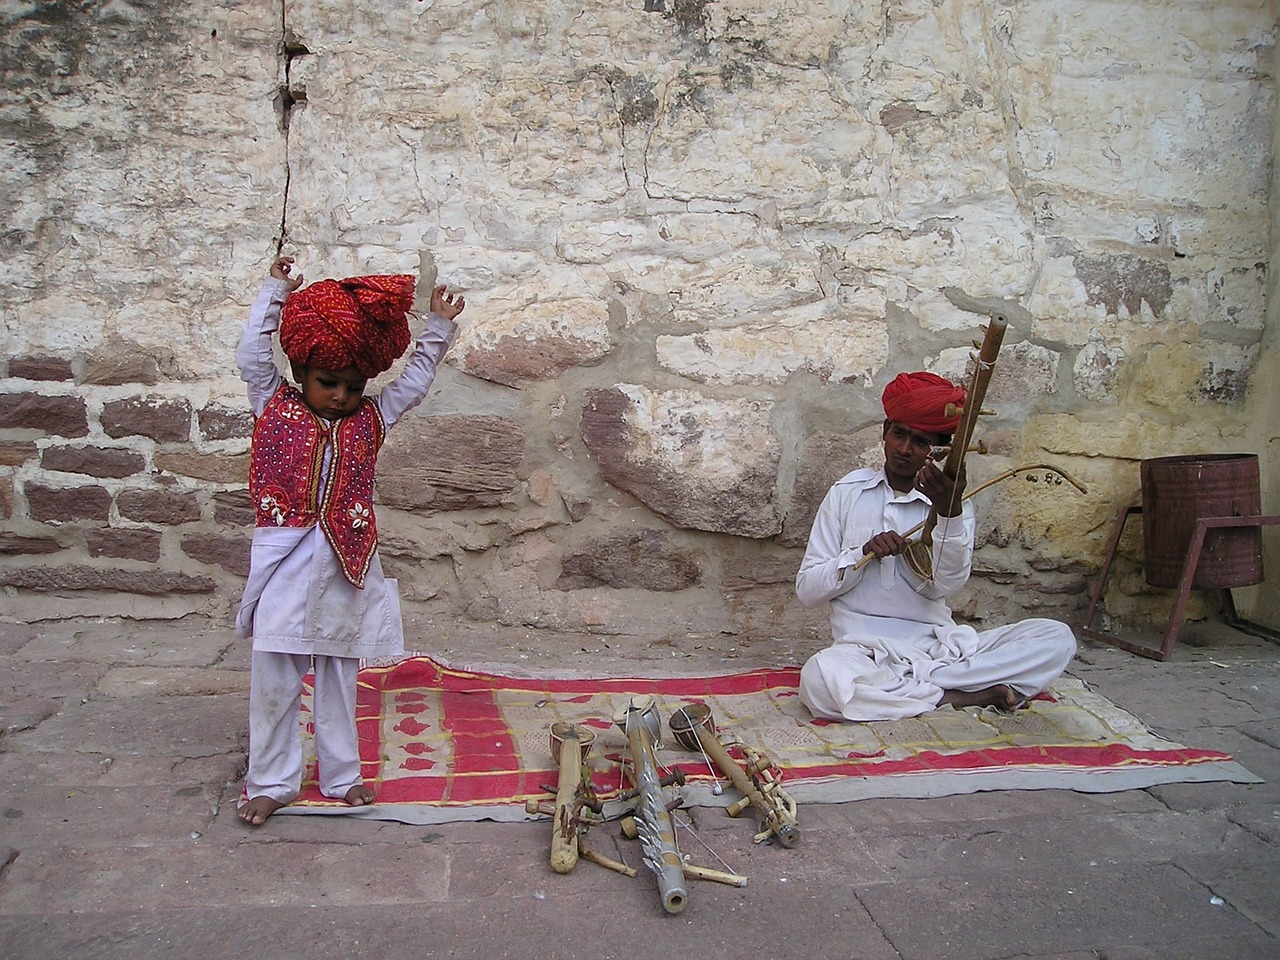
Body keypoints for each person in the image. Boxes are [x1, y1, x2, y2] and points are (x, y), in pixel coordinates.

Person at [234, 254, 465, 825]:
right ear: (303, 372)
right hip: (284, 565)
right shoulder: (272, 405)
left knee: (339, 676)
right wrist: (276, 292)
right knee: (275, 679)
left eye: (351, 385)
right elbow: (250, 356)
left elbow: (412, 385)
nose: (339, 395)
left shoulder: (373, 418)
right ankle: (270, 781)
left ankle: (342, 777)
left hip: (347, 566)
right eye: (327, 383)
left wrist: (437, 329)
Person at [794, 371, 1077, 722]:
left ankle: (924, 688)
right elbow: (807, 590)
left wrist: (950, 513)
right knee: (818, 681)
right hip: (864, 652)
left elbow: (948, 585)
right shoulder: (846, 493)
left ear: (938, 450)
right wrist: (859, 556)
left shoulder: (954, 502)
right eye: (899, 434)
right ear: (885, 431)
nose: (905, 449)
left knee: (1056, 638)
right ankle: (953, 695)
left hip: (940, 648)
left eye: (921, 441)